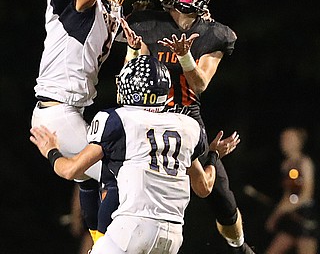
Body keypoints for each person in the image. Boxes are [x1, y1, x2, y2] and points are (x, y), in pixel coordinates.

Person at [30, 55, 216, 254]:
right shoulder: (188, 127)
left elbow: (69, 170)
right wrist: (213, 156)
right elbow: (204, 187)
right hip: (173, 236)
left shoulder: (119, 120)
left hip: (134, 227)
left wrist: (51, 150)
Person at [119, 0, 255, 252]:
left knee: (216, 192)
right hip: (148, 118)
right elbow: (129, 80)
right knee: (114, 179)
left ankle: (240, 247)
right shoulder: (147, 23)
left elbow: (200, 84)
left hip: (185, 120)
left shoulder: (213, 33)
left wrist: (184, 56)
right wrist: (133, 47)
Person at [30, 0, 124, 245]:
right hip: (57, 115)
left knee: (87, 180)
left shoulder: (107, 7)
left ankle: (97, 239)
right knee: (123, 178)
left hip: (65, 112)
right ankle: (104, 247)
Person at [265, 127, 318, 254]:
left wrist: (283, 210)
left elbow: (306, 195)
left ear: (299, 142)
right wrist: (275, 216)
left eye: (289, 138)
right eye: (283, 138)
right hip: (290, 218)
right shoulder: (285, 165)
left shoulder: (305, 162)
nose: (284, 142)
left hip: (305, 218)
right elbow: (288, 195)